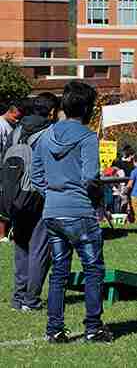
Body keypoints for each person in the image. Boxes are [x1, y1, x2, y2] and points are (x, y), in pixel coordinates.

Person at [31, 81, 112, 343]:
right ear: (88, 108)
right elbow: (90, 177)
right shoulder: (87, 137)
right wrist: (92, 195)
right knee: (93, 269)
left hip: (52, 212)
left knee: (59, 273)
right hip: (80, 211)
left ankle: (54, 329)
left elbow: (36, 176)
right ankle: (93, 327)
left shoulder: (45, 136)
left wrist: (53, 195)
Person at [8, 93, 58, 311]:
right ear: (52, 111)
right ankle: (31, 300)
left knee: (21, 247)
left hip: (16, 195)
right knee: (39, 248)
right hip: (39, 195)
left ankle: (18, 298)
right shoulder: (50, 132)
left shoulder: (16, 130)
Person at [0, 100, 25, 243]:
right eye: (16, 116)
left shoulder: (11, 125)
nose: (17, 120)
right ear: (9, 111)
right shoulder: (1, 125)